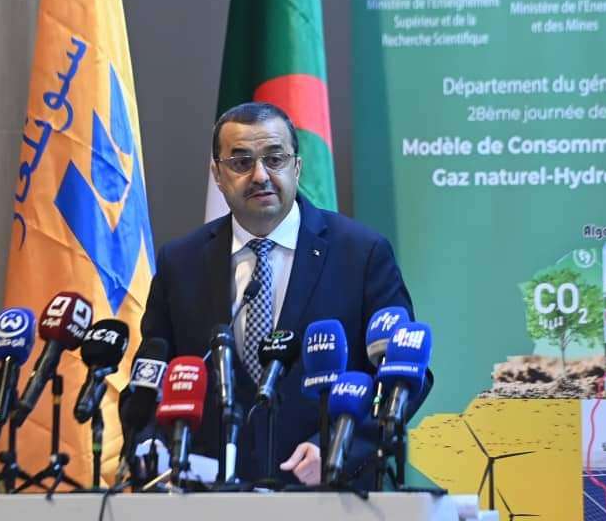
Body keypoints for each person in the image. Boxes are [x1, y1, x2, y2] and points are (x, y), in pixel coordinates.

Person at [135, 101, 414, 486]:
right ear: (217, 174)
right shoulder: (180, 263)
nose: (260, 175)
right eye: (241, 162)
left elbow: (402, 377)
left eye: (275, 159)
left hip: (329, 494)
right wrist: (149, 446)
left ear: (296, 167)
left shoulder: (361, 253)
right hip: (206, 494)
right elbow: (150, 376)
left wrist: (339, 447)